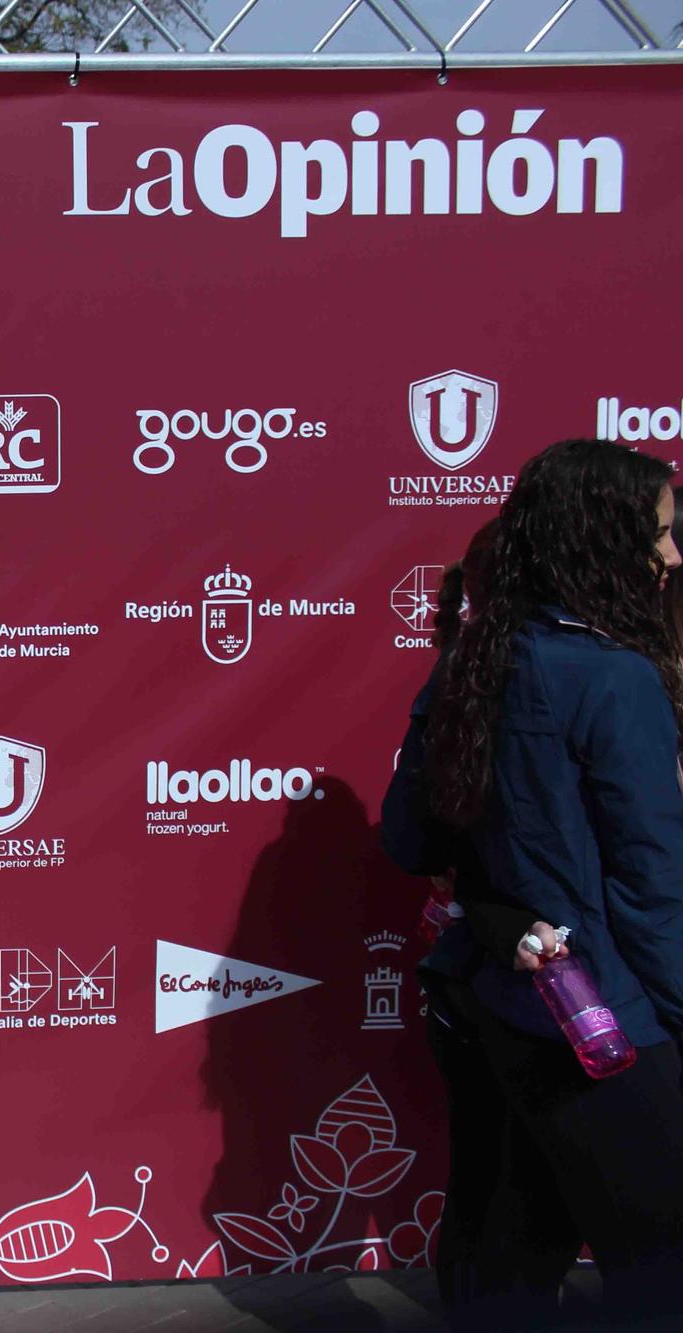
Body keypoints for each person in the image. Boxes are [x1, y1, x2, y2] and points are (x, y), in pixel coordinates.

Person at [419, 438, 683, 1323]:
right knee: (659, 1269)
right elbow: (653, 889)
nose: (673, 556)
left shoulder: (471, 664)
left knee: (514, 1263)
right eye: (659, 533)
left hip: (502, 1008)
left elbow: (410, 835)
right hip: (607, 1020)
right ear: (598, 538)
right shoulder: (614, 677)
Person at [382, 520, 581, 1324]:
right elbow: (413, 836)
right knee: (501, 1188)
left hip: (572, 974)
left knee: (530, 1194)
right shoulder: (463, 690)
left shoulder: (610, 678)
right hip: (512, 981)